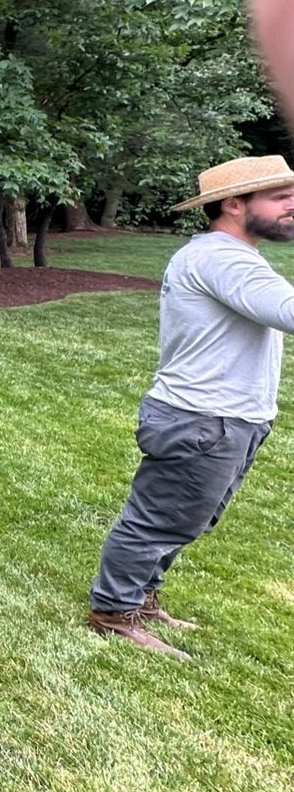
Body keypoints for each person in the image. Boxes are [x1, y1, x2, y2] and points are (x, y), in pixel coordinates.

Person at [88, 155, 294, 659]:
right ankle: (112, 612)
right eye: (280, 195)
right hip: (203, 419)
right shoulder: (223, 258)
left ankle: (141, 597)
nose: (293, 205)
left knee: (185, 519)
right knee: (158, 520)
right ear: (233, 203)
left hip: (225, 417)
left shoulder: (227, 254)